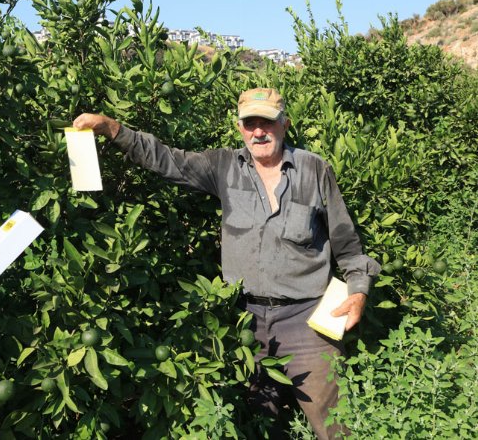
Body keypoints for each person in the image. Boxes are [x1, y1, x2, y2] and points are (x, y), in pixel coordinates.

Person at [73, 87, 380, 439]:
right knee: (252, 424)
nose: (258, 132)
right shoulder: (223, 166)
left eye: (267, 122)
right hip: (242, 322)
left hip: (307, 320)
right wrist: (111, 128)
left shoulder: (314, 170)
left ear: (285, 124)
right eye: (250, 123)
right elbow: (165, 159)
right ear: (239, 128)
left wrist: (358, 292)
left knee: (333, 425)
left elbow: (347, 243)